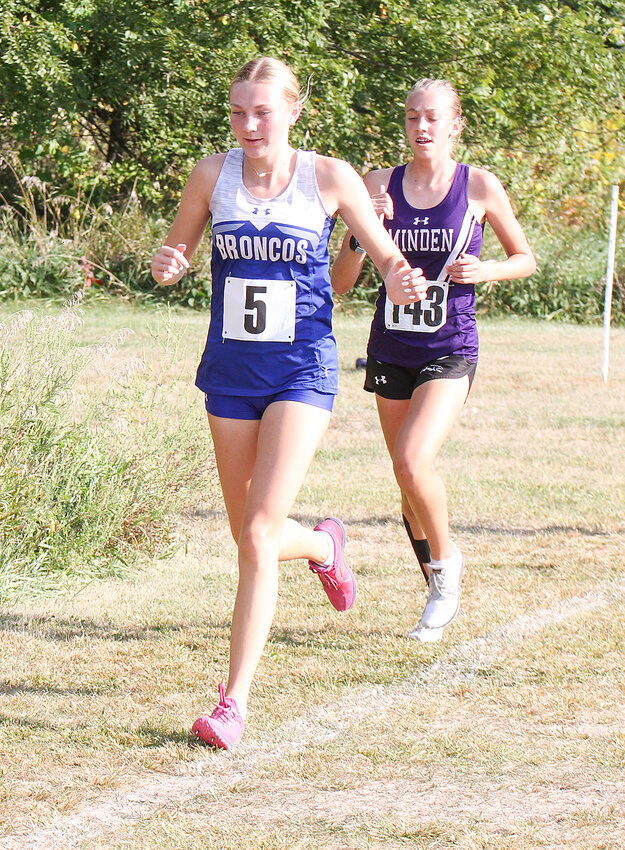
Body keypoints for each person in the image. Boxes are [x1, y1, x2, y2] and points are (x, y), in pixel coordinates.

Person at [151, 57, 428, 749]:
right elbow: (178, 245)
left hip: (301, 369)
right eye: (238, 112)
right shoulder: (211, 176)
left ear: (292, 112)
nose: (248, 125)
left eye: (262, 112)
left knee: (254, 535)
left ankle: (232, 703)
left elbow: (382, 251)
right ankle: (323, 545)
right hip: (230, 370)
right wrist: (169, 262)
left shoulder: (326, 177)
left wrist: (397, 276)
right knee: (251, 531)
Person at [332, 78, 536, 643]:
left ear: (454, 125)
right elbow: (341, 283)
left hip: (450, 346)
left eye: (432, 118)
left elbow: (525, 259)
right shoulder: (375, 184)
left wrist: (485, 270)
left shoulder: (479, 186)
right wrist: (359, 230)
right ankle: (434, 587)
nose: (421, 128)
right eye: (411, 117)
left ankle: (447, 571)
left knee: (414, 460)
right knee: (406, 483)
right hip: (391, 344)